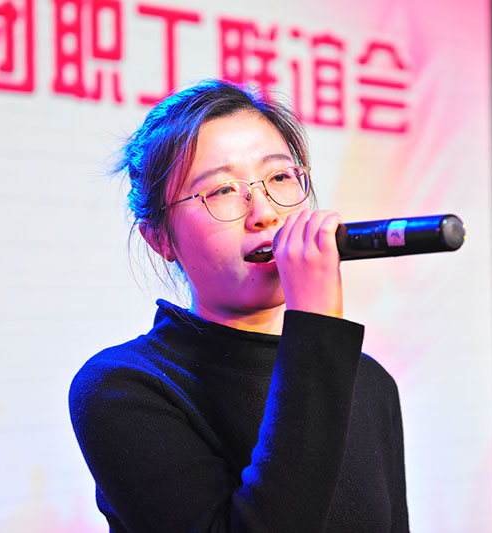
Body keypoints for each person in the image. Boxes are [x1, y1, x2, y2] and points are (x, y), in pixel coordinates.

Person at [69, 79, 409, 532]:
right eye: (222, 190)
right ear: (160, 239)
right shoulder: (122, 387)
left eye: (280, 178)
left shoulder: (368, 381)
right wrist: (315, 322)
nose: (265, 213)